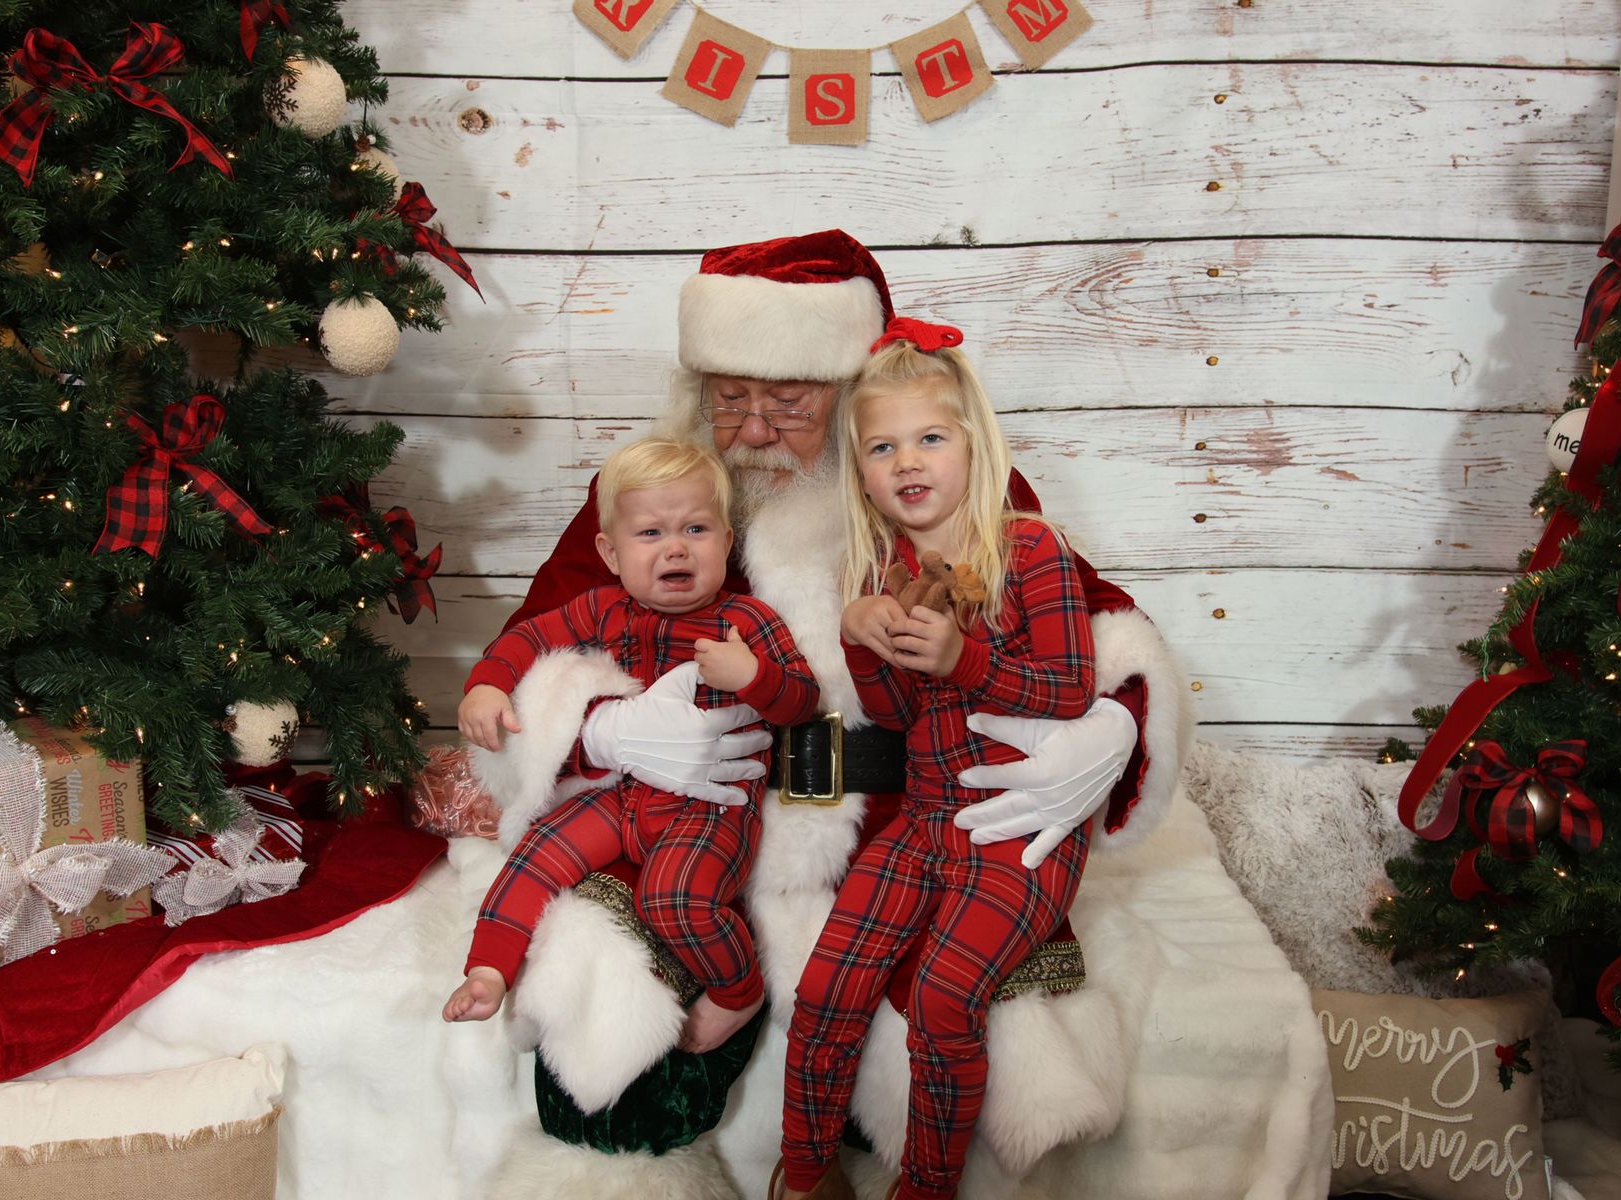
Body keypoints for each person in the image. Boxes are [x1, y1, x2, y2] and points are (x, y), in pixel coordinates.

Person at [463, 229, 1188, 1187]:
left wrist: (1114, 729)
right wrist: (603, 728)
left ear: (848, 393)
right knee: (609, 1097)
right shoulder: (662, 488)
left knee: (919, 1036)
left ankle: (839, 1160)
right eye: (731, 399)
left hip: (898, 820)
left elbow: (1103, 625)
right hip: (695, 821)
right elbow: (534, 643)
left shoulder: (928, 483)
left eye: (790, 403)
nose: (755, 431)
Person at [776, 320, 1113, 1200]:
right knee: (827, 988)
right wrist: (860, 641)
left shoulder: (1029, 549)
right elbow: (894, 714)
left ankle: (927, 1185)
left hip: (1019, 830)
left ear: (973, 444)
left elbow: (1071, 688)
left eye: (929, 438)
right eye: (882, 447)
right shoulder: (883, 571)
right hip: (927, 820)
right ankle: (805, 1171)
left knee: (943, 998)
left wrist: (966, 659)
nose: (907, 462)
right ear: (862, 473)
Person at [447, 438, 819, 1053]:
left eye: (696, 529)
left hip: (710, 805)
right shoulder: (603, 609)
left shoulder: (747, 620)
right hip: (622, 793)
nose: (676, 548)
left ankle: (739, 990)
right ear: (611, 554)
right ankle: (488, 970)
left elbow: (802, 700)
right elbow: (529, 639)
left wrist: (753, 676)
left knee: (672, 898)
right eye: (650, 533)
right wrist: (487, 683)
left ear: (727, 542)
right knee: (536, 853)